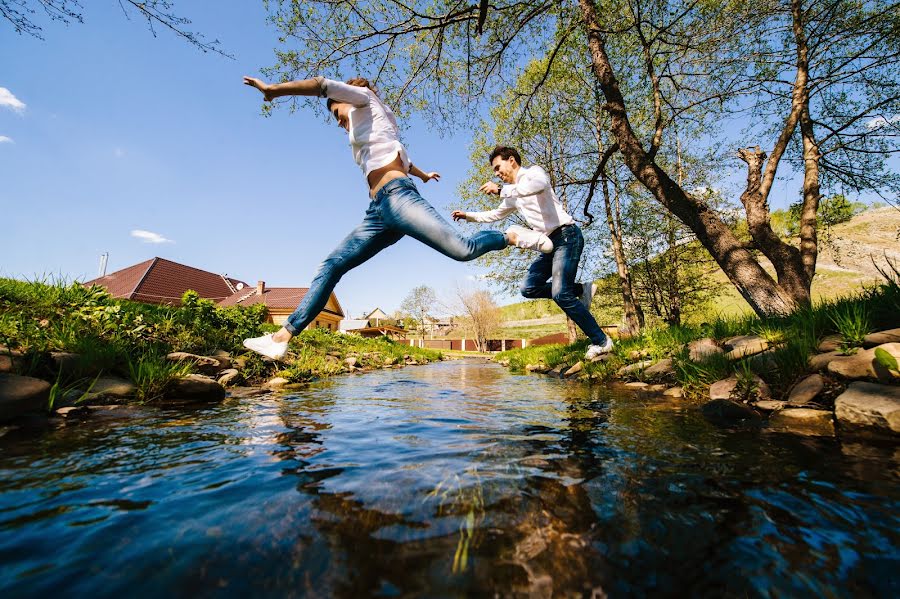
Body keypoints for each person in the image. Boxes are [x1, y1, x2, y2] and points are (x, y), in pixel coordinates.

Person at [240, 76, 554, 359]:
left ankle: (510, 236)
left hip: (400, 199)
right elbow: (402, 156)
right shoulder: (372, 128)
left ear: (350, 97)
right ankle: (282, 338)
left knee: (463, 250)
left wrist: (273, 91)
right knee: (332, 265)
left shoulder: (364, 99)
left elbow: (322, 84)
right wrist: (424, 173)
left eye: (337, 114)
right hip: (377, 213)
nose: (338, 123)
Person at [452, 146, 613, 360]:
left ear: (512, 160)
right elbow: (495, 215)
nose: (497, 173)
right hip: (547, 242)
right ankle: (581, 290)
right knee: (528, 288)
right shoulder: (513, 194)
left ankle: (601, 341)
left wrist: (500, 189)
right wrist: (468, 216)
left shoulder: (533, 173)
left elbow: (537, 187)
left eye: (498, 168)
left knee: (560, 294)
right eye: (495, 172)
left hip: (567, 236)